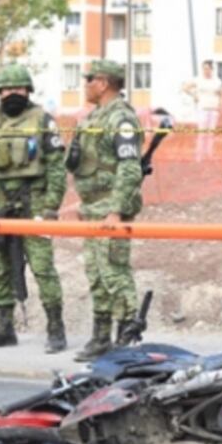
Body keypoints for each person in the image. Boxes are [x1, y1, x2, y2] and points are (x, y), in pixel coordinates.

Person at [0, 64, 68, 353]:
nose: (13, 94)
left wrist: (51, 206)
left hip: (34, 203)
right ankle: (4, 328)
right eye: (7, 89)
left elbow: (57, 167)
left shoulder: (43, 121)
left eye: (18, 89)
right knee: (2, 270)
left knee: (43, 268)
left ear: (28, 90)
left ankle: (56, 329)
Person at [67, 59, 144, 361]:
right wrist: (83, 203)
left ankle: (126, 339)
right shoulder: (95, 117)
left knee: (114, 271)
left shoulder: (121, 119)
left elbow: (129, 168)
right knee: (96, 274)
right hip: (92, 208)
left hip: (111, 209)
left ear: (103, 83)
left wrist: (116, 210)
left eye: (88, 78)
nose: (84, 83)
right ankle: (101, 337)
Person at [182, 60, 222, 162]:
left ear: (211, 69)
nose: (206, 71)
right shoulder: (198, 80)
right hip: (202, 109)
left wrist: (221, 106)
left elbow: (220, 94)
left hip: (213, 109)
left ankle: (209, 155)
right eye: (204, 68)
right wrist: (194, 95)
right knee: (202, 133)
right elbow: (185, 87)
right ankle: (199, 156)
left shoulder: (217, 81)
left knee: (211, 133)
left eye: (208, 68)